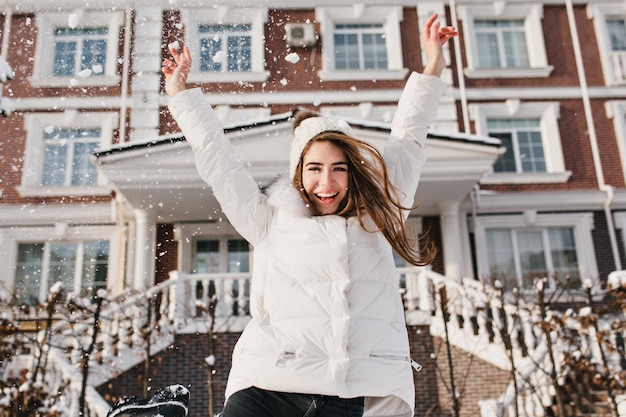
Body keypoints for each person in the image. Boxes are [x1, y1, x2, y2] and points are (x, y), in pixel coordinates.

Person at [159, 13, 457, 417]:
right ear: (299, 172)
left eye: (339, 169)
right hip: (269, 383)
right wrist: (180, 95)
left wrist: (433, 63)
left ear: (353, 172)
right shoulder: (268, 219)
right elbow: (219, 161)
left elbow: (408, 138)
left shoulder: (380, 215)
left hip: (355, 390)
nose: (326, 183)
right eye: (315, 169)